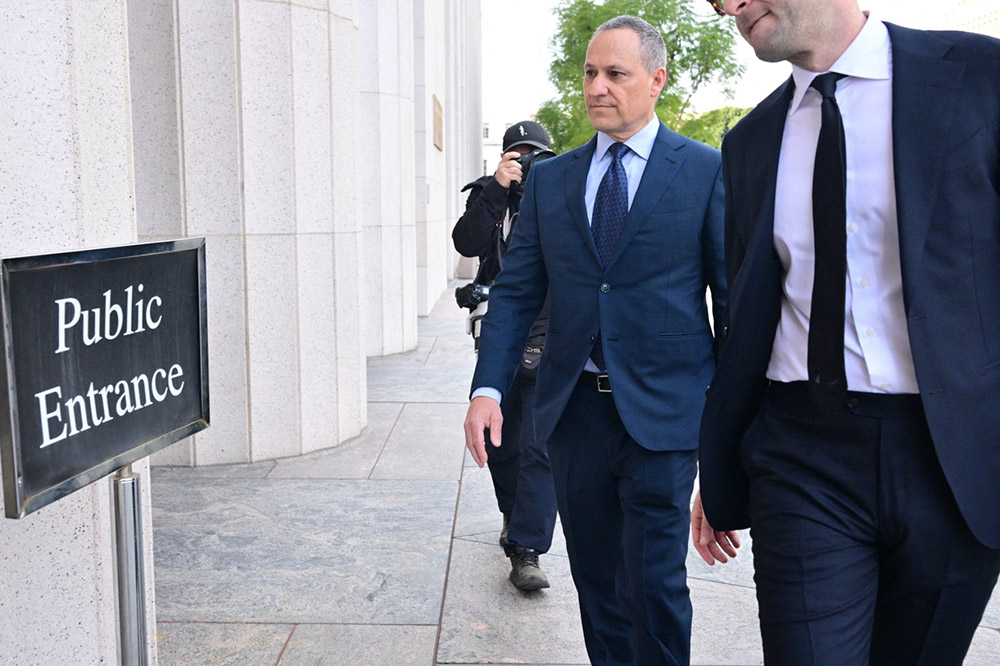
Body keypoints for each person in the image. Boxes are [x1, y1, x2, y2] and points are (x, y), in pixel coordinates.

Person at [693, 1, 1000, 664]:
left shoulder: (980, 75)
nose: (726, 5)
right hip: (802, 456)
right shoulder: (750, 142)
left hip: (955, 459)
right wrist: (716, 463)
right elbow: (745, 320)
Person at [463, 15, 726, 666]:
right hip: (573, 415)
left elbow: (733, 301)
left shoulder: (705, 172)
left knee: (656, 584)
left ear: (656, 80)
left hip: (664, 420)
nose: (596, 87)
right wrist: (489, 387)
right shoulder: (552, 181)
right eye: (589, 73)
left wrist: (731, 429)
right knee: (599, 585)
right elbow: (519, 291)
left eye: (615, 73)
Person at [453, 120, 559, 591]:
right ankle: (511, 515)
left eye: (533, 155)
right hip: (499, 330)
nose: (525, 163)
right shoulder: (489, 194)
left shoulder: (565, 193)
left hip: (552, 330)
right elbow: (467, 243)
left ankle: (527, 548)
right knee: (502, 439)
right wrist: (496, 190)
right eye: (517, 155)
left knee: (540, 443)